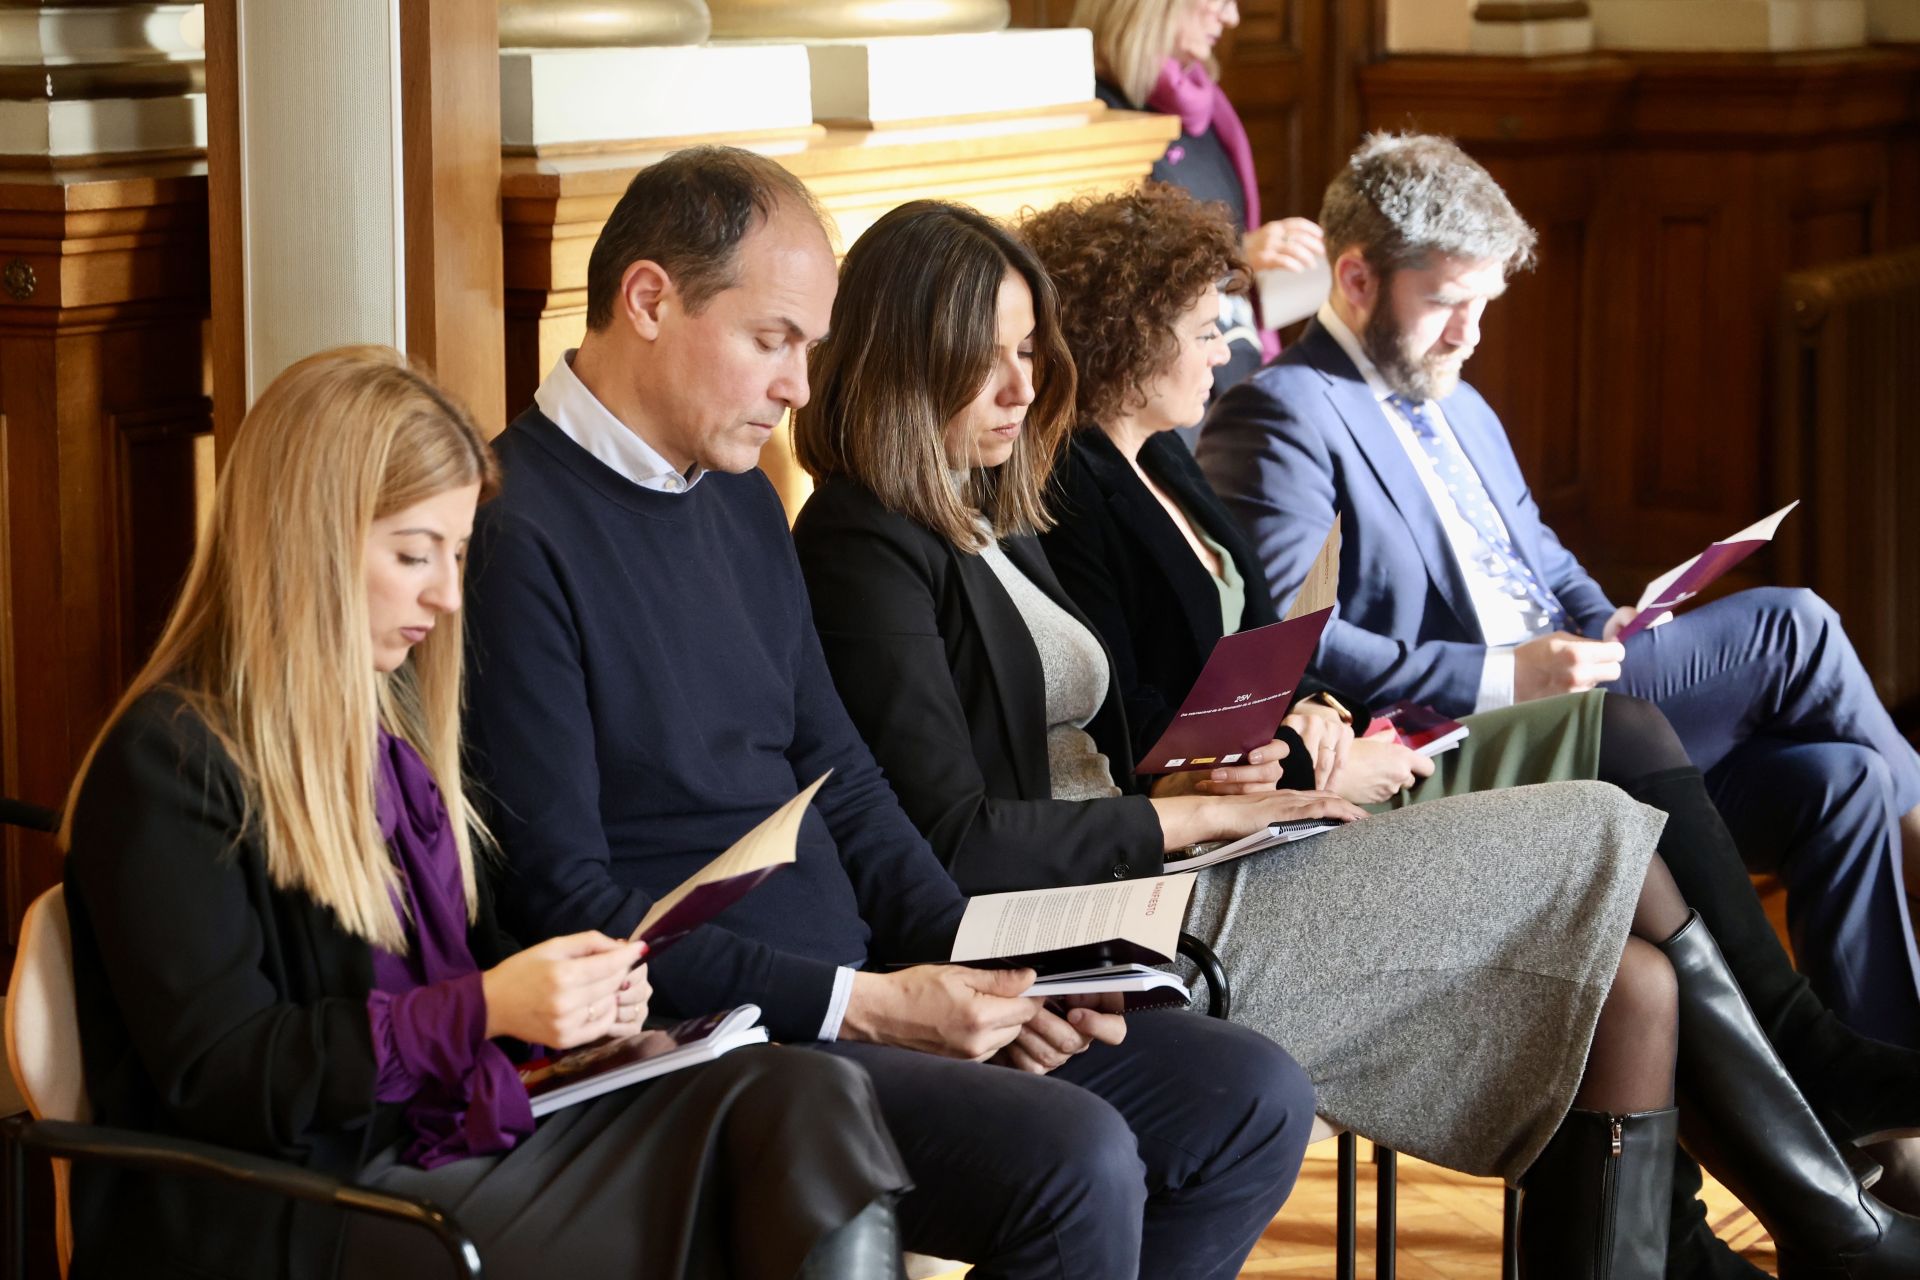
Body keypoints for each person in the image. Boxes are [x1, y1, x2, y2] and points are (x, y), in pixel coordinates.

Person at [790, 196, 1920, 1276]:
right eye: (987, 356)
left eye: (1033, 350)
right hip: (1122, 912)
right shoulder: (861, 537)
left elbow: (1124, 723)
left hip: (1171, 861)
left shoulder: (987, 500)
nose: (1021, 385)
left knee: (1634, 980)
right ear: (904, 354)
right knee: (1610, 807)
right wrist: (1208, 803)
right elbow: (956, 837)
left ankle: (1815, 1226)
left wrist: (1263, 746)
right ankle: (1839, 1193)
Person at [458, 145, 1316, 1280]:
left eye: (809, 350)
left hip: (864, 986)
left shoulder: (737, 494)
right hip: (715, 1040)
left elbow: (844, 773)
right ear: (650, 300)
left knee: (1246, 1095)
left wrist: (987, 970)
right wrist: (871, 1004)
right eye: (773, 341)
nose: (799, 388)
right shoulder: (514, 529)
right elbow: (569, 900)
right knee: (1079, 1158)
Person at [59, 346, 909, 1280]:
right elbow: (224, 1077)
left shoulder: (391, 736)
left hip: (450, 1139)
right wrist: (487, 1008)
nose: (448, 596)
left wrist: (579, 1010)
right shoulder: (169, 761)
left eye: (458, 554)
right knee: (736, 1204)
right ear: (308, 539)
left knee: (801, 1097)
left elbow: (451, 985)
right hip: (301, 1201)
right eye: (416, 554)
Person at [1195, 131, 1920, 1058]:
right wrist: (1506, 676)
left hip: (1593, 700)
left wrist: (1606, 617)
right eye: (1448, 303)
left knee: (1840, 781)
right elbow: (1299, 639)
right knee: (1794, 624)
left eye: (1483, 305)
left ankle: (1882, 1117)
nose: (1471, 333)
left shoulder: (1458, 397)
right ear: (1358, 279)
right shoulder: (1287, 408)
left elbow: (1538, 555)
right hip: (1474, 740)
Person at [1079, 0, 1323, 425]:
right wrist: (1238, 254)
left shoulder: (1206, 107)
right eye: (1220, 0)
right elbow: (1116, 281)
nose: (1231, 19)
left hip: (1229, 367)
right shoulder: (1099, 115)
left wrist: (1267, 260)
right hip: (1162, 397)